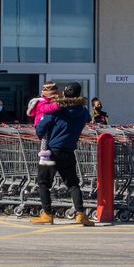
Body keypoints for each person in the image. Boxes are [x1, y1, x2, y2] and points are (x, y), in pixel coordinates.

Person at [31, 82, 94, 226]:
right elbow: (88, 118)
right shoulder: (83, 112)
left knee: (43, 182)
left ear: (64, 94)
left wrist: (41, 135)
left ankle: (47, 214)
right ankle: (80, 214)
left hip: (51, 152)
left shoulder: (57, 110)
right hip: (68, 151)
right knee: (73, 184)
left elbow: (41, 126)